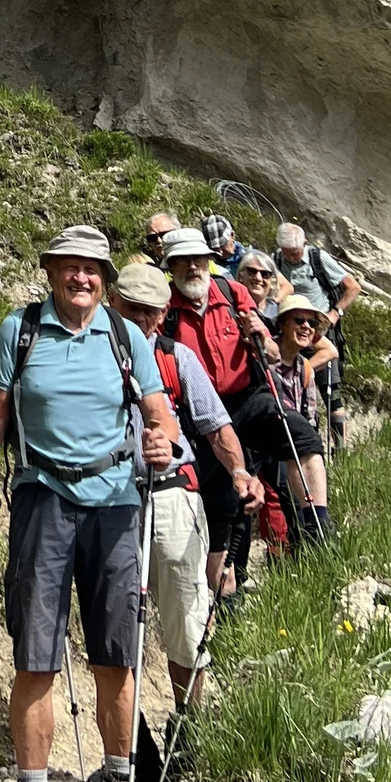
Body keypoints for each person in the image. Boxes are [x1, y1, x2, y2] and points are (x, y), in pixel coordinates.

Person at [0, 227, 178, 782]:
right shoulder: (19, 330)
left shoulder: (125, 336)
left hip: (114, 503)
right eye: (70, 267)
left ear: (104, 278)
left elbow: (158, 411)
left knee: (116, 656)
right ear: (50, 271)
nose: (81, 278)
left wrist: (162, 438)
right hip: (41, 498)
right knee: (36, 656)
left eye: (92, 269)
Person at [109, 261, 265, 705]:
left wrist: (239, 472)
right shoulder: (87, 357)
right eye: (130, 309)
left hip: (171, 491)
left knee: (185, 617)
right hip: (105, 498)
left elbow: (217, 426)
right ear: (112, 304)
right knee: (116, 622)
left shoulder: (177, 357)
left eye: (150, 312)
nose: (140, 320)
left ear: (163, 315)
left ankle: (188, 727)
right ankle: (129, 738)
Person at [155, 227, 274, 603]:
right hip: (193, 421)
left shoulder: (229, 291)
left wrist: (261, 333)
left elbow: (267, 349)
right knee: (217, 501)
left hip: (240, 404)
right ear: (170, 266)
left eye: (199, 259)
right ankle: (212, 592)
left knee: (235, 499)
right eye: (184, 261)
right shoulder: (164, 305)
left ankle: (228, 590)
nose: (194, 266)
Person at [255, 293, 334, 544]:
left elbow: (308, 419)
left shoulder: (304, 368)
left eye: (311, 324)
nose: (306, 327)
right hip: (262, 445)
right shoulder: (263, 357)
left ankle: (311, 541)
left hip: (290, 448)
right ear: (282, 324)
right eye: (299, 320)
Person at [275, 222, 359, 442]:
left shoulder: (318, 259)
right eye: (287, 253)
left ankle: (340, 449)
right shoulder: (275, 260)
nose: (292, 257)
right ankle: (306, 438)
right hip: (290, 329)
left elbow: (353, 286)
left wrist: (334, 314)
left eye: (296, 252)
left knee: (331, 392)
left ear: (305, 243)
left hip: (319, 329)